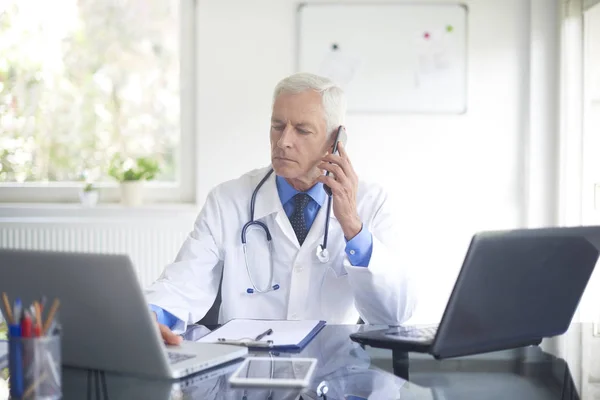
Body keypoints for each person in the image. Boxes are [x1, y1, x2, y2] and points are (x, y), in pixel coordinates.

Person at [145, 72, 416, 345]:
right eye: (277, 126)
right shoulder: (227, 200)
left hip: (332, 373)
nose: (283, 141)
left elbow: (395, 314)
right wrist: (151, 317)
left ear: (336, 140)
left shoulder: (370, 203)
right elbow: (183, 282)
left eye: (302, 130)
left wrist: (353, 229)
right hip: (245, 370)